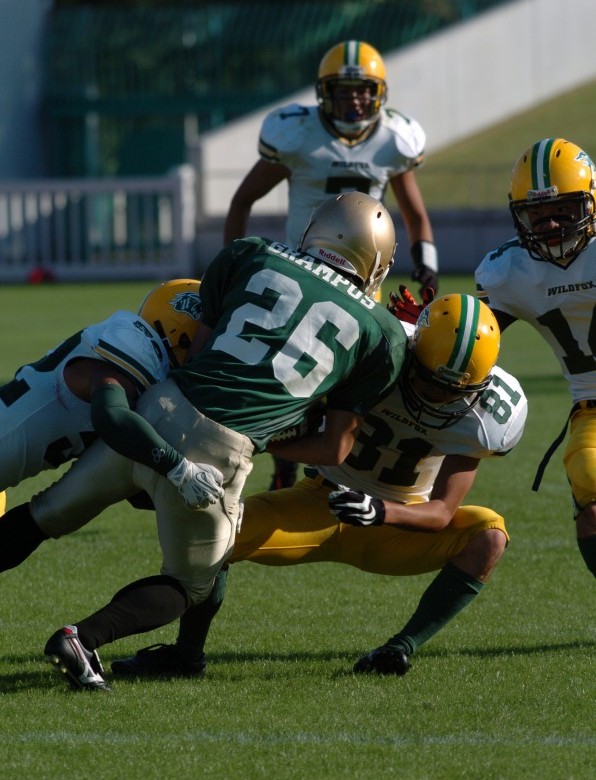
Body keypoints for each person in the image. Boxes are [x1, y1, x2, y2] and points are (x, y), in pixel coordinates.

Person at [32, 191, 409, 691]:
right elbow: (335, 449)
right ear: (375, 261)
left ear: (314, 230)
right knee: (192, 582)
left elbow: (201, 354)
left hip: (157, 408)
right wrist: (268, 438)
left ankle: (187, 656)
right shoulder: (382, 333)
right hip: (220, 448)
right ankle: (82, 638)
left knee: (42, 514)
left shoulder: (252, 252)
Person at [109, 293, 528, 679]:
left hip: (398, 524)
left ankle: (399, 648)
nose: (437, 397)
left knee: (489, 534)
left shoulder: (486, 415)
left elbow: (441, 512)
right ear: (413, 351)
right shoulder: (379, 351)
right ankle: (185, 656)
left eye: (453, 390)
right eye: (430, 381)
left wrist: (379, 511)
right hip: (319, 501)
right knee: (214, 541)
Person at [223, 39, 438, 490]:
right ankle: (285, 467)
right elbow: (242, 200)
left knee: (349, 387)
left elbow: (416, 215)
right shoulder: (298, 135)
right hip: (299, 276)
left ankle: (334, 474)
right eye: (344, 90)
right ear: (325, 93)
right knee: (292, 377)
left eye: (363, 91)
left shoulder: (392, 140)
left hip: (364, 284)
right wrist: (229, 265)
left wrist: (427, 266)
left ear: (379, 95)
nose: (354, 100)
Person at [475, 137, 596, 580]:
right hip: (592, 406)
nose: (551, 225)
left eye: (563, 210)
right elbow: (474, 340)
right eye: (538, 215)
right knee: (590, 489)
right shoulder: (508, 271)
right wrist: (429, 330)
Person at [0, 279, 202, 493]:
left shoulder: (134, 344)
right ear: (182, 334)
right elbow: (110, 415)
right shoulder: (138, 351)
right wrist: (177, 467)